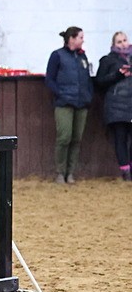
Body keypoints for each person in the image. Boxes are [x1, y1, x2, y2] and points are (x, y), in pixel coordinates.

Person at [44, 26, 93, 183]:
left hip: (81, 102)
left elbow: (87, 78)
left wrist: (88, 95)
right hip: (64, 102)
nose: (83, 40)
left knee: (76, 139)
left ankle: (70, 172)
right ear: (71, 39)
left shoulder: (82, 56)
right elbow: (49, 79)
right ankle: (61, 171)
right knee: (64, 137)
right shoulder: (57, 55)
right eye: (80, 37)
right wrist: (60, 93)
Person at [94, 31, 132, 181]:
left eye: (124, 40)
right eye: (119, 42)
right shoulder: (108, 60)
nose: (123, 44)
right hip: (117, 104)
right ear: (113, 44)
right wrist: (118, 75)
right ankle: (125, 171)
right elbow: (100, 81)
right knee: (120, 138)